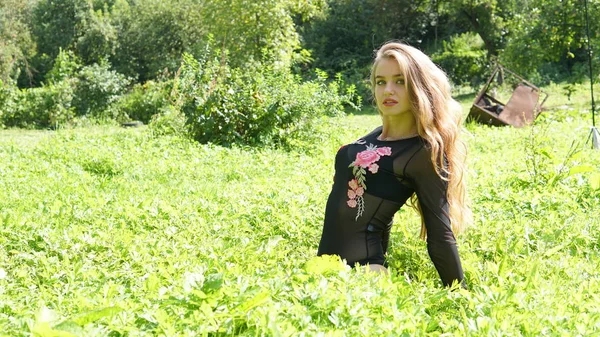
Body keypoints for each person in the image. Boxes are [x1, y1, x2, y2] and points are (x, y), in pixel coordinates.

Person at [317, 41, 472, 287]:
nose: (388, 90)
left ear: (419, 87)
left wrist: (461, 295)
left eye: (400, 81)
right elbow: (379, 202)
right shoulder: (376, 136)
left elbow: (440, 235)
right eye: (381, 82)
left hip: (365, 270)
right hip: (324, 268)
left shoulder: (421, 152)